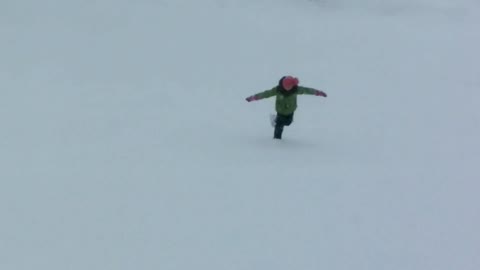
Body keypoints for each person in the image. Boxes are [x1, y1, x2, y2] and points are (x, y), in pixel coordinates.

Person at [245, 75, 327, 139]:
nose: (287, 89)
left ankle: (275, 120)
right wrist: (254, 97)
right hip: (280, 111)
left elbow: (307, 90)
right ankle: (276, 141)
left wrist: (318, 92)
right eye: (285, 87)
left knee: (288, 123)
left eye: (288, 87)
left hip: (291, 110)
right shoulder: (277, 90)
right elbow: (266, 94)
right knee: (279, 127)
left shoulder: (296, 90)